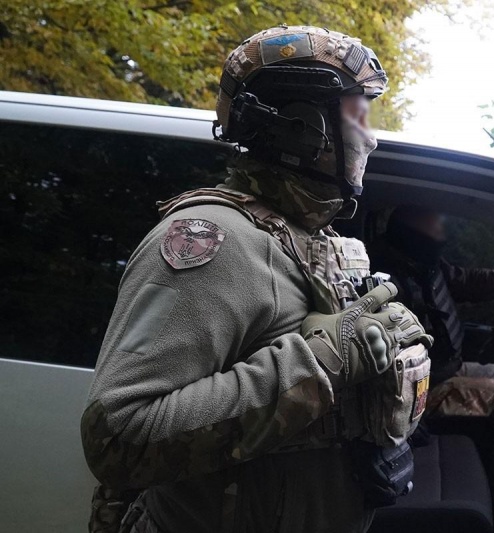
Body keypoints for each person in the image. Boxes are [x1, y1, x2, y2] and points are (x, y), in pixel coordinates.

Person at [81, 26, 432, 533]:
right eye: (359, 115)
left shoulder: (309, 237)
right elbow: (119, 437)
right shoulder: (215, 240)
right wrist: (323, 361)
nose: (371, 137)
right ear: (304, 128)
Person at [370, 206, 494, 420]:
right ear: (409, 237)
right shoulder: (384, 284)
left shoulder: (421, 264)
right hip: (418, 391)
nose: (440, 241)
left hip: (445, 369)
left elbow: (468, 282)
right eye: (432, 238)